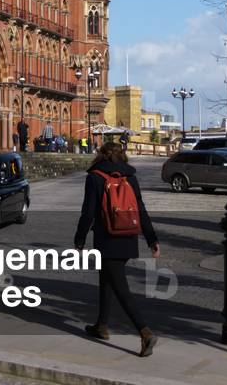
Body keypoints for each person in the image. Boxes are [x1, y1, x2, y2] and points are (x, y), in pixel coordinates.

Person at [74, 141, 159, 357]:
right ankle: (101, 325)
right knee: (107, 279)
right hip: (128, 235)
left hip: (107, 238)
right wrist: (151, 238)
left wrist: (80, 239)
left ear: (101, 156)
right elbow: (140, 208)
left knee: (120, 287)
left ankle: (145, 331)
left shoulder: (95, 177)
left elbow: (88, 212)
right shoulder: (130, 177)